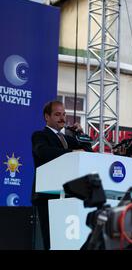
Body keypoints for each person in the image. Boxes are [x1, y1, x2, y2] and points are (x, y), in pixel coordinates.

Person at [31, 100, 88, 250]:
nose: (62, 118)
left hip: (69, 195)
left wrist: (80, 134)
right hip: (48, 195)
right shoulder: (40, 135)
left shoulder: (69, 139)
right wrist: (71, 152)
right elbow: (43, 152)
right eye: (57, 114)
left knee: (69, 242)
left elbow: (88, 153)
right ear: (46, 117)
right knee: (52, 241)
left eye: (64, 114)